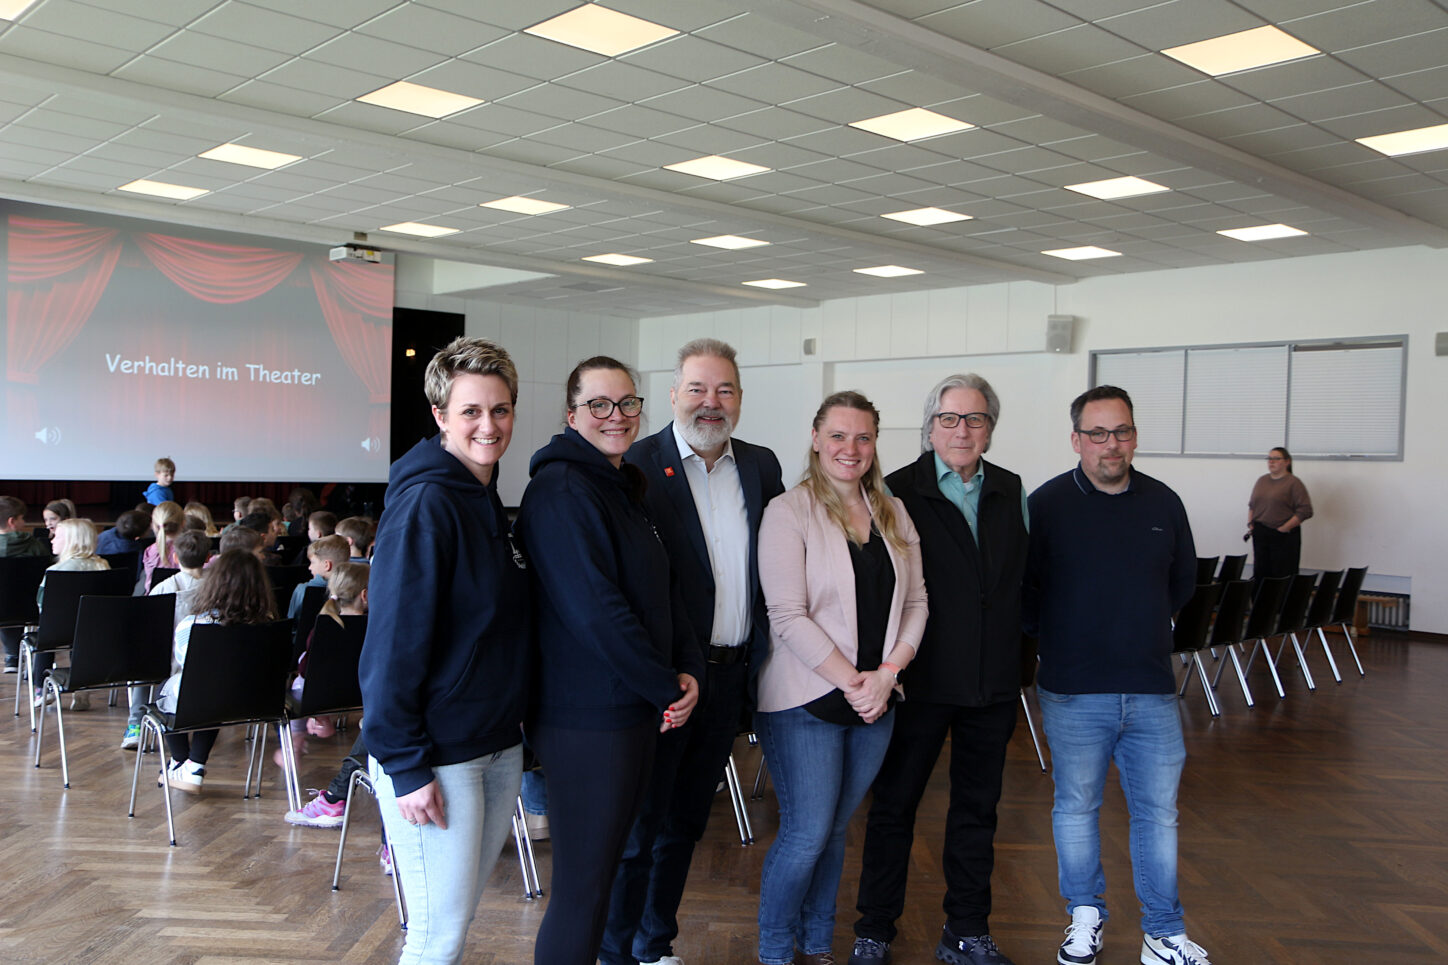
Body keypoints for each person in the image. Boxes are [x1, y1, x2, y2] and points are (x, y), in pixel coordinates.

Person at [602, 339, 785, 965]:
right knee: (637, 830)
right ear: (674, 394)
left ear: (738, 398)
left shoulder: (761, 466)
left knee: (684, 826)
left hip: (730, 678)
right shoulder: (637, 466)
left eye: (725, 390)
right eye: (699, 390)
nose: (712, 403)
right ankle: (614, 951)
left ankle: (656, 946)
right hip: (664, 685)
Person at [515, 355, 702, 965]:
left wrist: (683, 673)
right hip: (587, 719)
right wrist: (665, 687)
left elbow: (662, 592)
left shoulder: (623, 486)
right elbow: (595, 610)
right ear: (572, 414)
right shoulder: (560, 490)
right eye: (599, 404)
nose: (616, 416)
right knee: (583, 890)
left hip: (630, 709)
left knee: (612, 875)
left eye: (627, 403)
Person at [358, 336, 533, 965]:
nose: (489, 425)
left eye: (502, 409)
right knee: (437, 936)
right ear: (440, 416)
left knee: (450, 926)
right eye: (471, 412)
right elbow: (392, 647)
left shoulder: (480, 492)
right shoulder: (427, 502)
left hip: (494, 744)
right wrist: (405, 765)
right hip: (437, 756)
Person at [1024, 385, 1208, 965]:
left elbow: (1183, 584)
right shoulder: (1047, 505)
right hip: (1074, 691)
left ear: (1134, 436)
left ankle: (1163, 932)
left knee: (1159, 815)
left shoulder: (1164, 502)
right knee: (1076, 809)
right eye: (1098, 433)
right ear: (1077, 439)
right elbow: (1025, 594)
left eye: (1121, 432)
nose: (1111, 444)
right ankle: (1085, 916)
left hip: (1152, 687)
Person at [851, 375, 1029, 965]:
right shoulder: (896, 491)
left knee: (978, 811)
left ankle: (967, 930)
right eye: (950, 419)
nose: (962, 430)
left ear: (990, 429)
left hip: (992, 683)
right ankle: (874, 929)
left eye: (975, 419)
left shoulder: (1011, 489)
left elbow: (1018, 582)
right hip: (919, 681)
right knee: (894, 808)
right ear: (929, 429)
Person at [754, 390, 928, 965]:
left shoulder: (893, 511)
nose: (850, 448)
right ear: (815, 438)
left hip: (878, 699)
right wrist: (855, 680)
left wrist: (889, 673)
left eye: (863, 437)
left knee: (833, 832)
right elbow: (786, 614)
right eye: (838, 435)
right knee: (806, 834)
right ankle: (777, 951)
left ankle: (818, 944)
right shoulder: (789, 510)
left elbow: (918, 603)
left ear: (875, 444)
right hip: (807, 700)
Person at [156, 548, 277, 793]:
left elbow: (186, 664)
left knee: (168, 689)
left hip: (206, 699)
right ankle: (195, 764)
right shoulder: (271, 623)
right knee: (215, 692)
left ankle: (182, 760)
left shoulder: (193, 625)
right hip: (257, 701)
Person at [124, 530, 212, 749]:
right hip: (209, 666)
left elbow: (148, 631)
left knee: (140, 664)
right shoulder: (219, 588)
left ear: (175, 557)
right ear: (209, 557)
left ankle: (135, 724)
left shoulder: (162, 588)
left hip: (168, 666)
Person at [35, 518, 110, 710]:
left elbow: (42, 606)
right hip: (97, 631)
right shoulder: (104, 567)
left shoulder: (54, 572)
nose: (51, 539)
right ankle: (82, 687)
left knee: (48, 631)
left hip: (57, 632)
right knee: (79, 629)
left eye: (57, 536)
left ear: (71, 541)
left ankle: (41, 688)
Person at [1247, 447, 1312, 582]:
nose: (1271, 462)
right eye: (1269, 459)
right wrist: (1250, 523)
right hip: (1261, 533)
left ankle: (1280, 603)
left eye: (1276, 459)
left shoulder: (1293, 483)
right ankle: (1260, 601)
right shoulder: (1262, 480)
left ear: (1287, 462)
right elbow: (1252, 505)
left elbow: (1305, 510)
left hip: (1282, 535)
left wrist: (1285, 528)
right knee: (1260, 572)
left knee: (1281, 574)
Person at [140, 501, 185, 591]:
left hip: (154, 601)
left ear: (153, 525)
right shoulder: (189, 549)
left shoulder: (150, 551)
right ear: (183, 523)